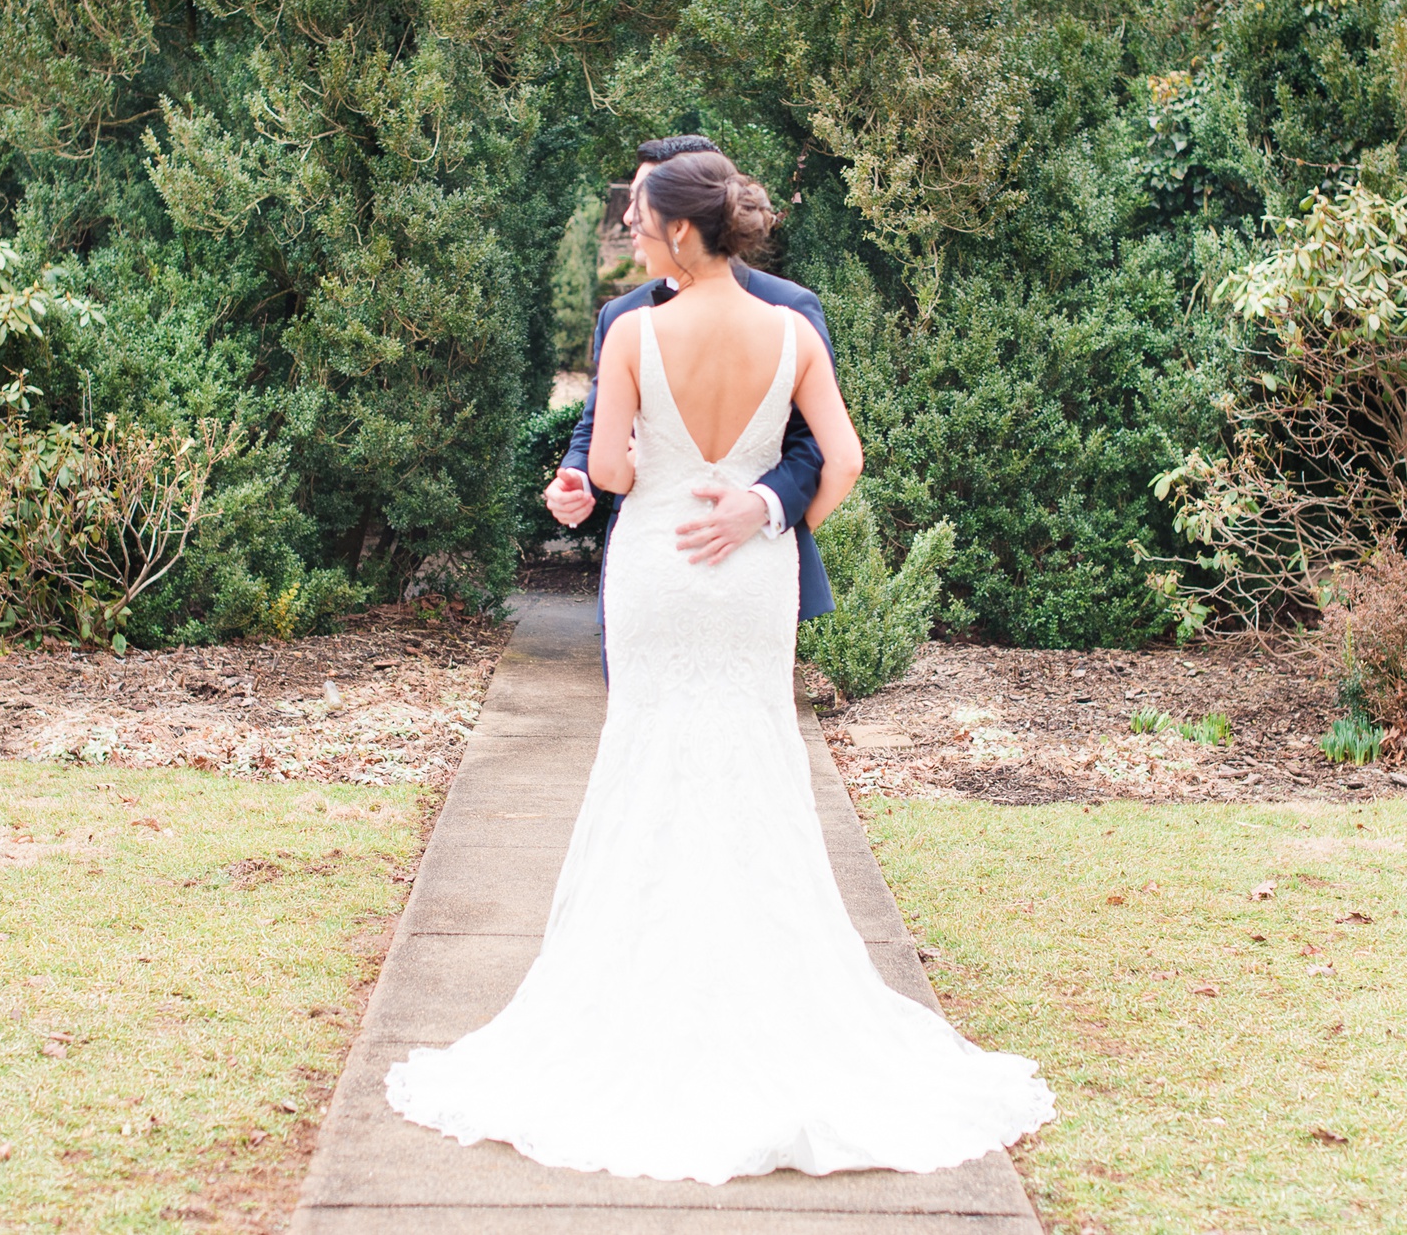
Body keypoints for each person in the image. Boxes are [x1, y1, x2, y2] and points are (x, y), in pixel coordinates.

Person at [384, 150, 1052, 1183]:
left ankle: (635, 992)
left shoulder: (636, 332)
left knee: (648, 752)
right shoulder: (784, 332)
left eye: (640, 221)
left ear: (682, 232)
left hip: (659, 566)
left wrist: (636, 477)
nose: (632, 235)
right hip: (749, 582)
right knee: (752, 752)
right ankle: (771, 991)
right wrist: (783, 526)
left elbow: (609, 468)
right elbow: (846, 456)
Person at [547, 136, 834, 675]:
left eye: (643, 202)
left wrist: (767, 507)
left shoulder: (790, 307)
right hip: (653, 564)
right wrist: (577, 478)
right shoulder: (621, 316)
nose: (631, 216)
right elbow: (594, 431)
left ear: (684, 214)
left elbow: (814, 445)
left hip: (750, 561)